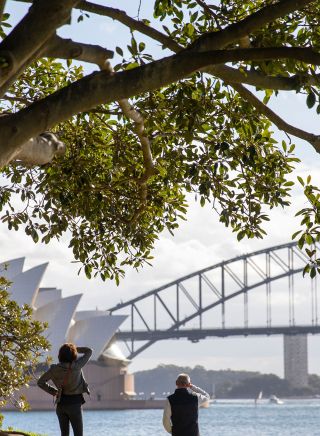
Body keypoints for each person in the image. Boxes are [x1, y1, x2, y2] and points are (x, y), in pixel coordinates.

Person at [37, 343, 92, 436]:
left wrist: (54, 392)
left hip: (61, 405)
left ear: (60, 355)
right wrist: (75, 349)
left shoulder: (54, 369)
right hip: (75, 405)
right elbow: (89, 351)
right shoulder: (77, 366)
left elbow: (40, 382)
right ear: (73, 354)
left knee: (64, 434)